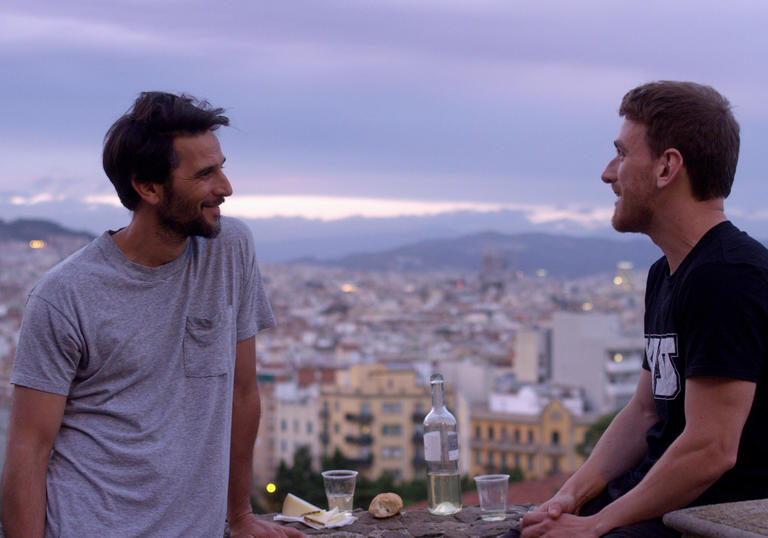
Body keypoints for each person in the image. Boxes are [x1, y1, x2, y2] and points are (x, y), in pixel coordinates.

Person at [0, 92, 305, 538]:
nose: (226, 186)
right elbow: (29, 447)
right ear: (148, 187)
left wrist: (238, 516)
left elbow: (242, 392)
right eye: (205, 174)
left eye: (221, 166)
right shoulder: (63, 295)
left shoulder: (230, 249)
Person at [517, 81, 768, 537]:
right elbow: (645, 411)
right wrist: (570, 496)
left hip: (704, 519)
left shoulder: (729, 276)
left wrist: (595, 526)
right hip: (658, 508)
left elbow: (711, 449)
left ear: (666, 167)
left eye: (621, 154)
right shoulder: (667, 273)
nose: (608, 173)